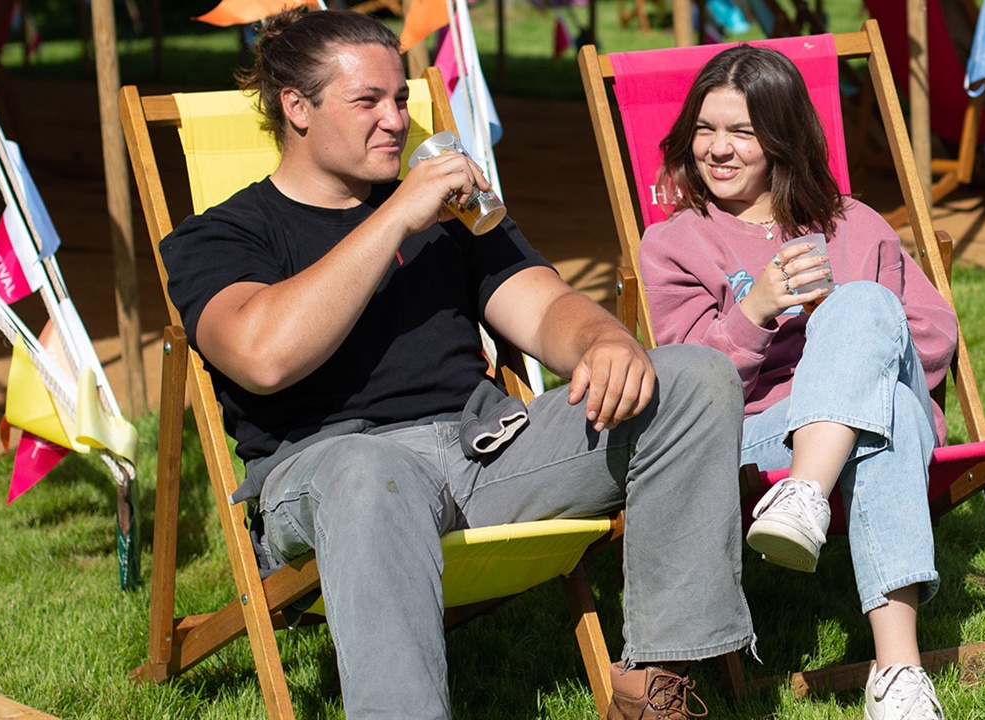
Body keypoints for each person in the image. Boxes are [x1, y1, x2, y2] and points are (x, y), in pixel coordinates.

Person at [158, 9, 753, 719]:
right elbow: (263, 356)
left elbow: (544, 308)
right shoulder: (222, 234)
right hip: (332, 471)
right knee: (367, 470)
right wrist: (395, 217)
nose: (394, 120)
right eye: (367, 101)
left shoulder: (452, 215)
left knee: (692, 378)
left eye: (400, 99)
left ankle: (656, 677)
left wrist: (603, 342)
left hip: (483, 452)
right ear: (298, 108)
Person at [639, 46, 959, 719]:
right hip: (760, 431)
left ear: (782, 140)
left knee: (868, 317)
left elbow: (934, 338)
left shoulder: (853, 224)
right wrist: (754, 314)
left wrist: (848, 332)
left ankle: (805, 500)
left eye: (742, 132)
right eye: (705, 128)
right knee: (891, 411)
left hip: (837, 432)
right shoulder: (676, 245)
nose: (718, 149)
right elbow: (686, 384)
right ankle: (898, 676)